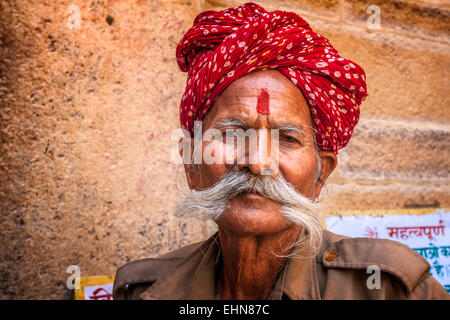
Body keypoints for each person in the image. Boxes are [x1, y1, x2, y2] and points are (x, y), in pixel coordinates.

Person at [113, 2, 448, 300]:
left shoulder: (391, 289)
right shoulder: (144, 289)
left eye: (288, 138)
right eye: (231, 134)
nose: (257, 162)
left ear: (321, 174)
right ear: (191, 164)